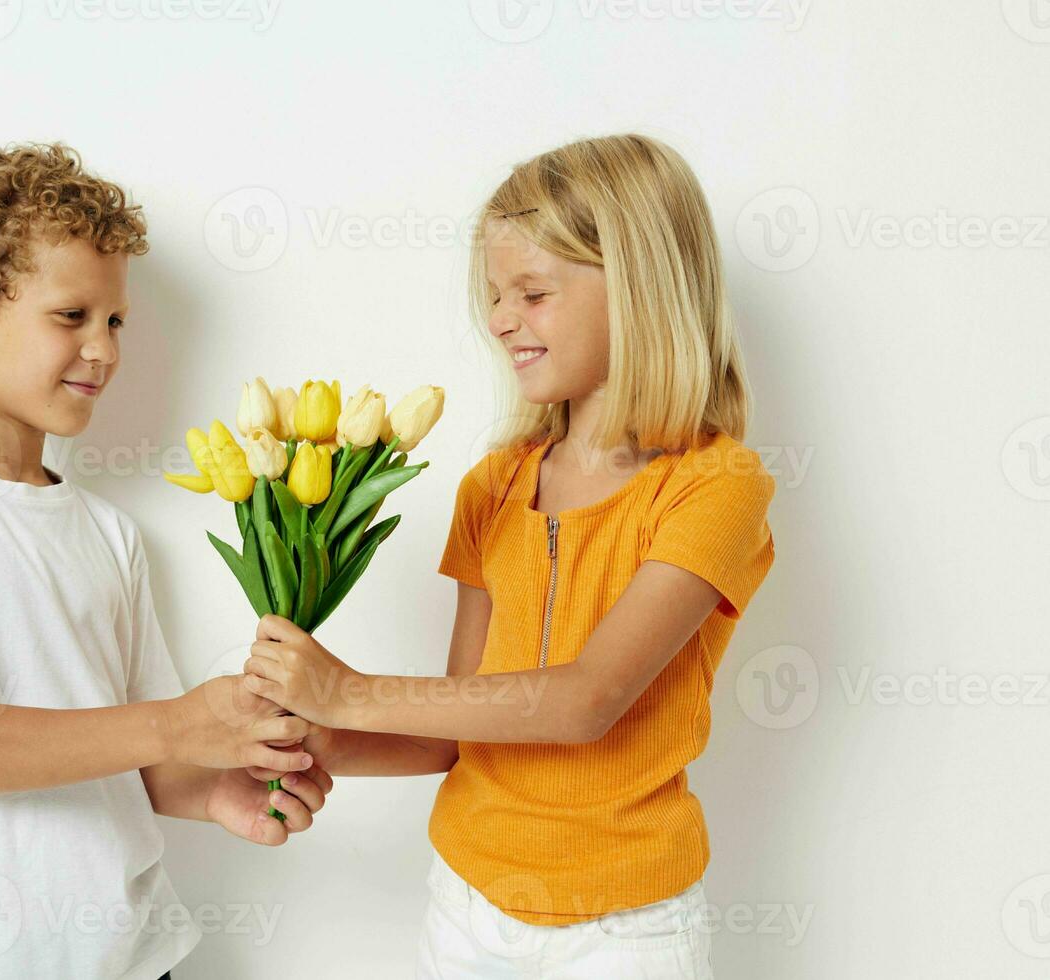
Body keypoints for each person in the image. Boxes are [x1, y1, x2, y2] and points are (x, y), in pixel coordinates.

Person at [242, 133, 777, 978]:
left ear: (640, 291)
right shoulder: (493, 487)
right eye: (496, 296)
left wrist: (347, 690)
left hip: (626, 932)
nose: (499, 320)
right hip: (464, 907)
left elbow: (584, 702)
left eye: (532, 292)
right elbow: (452, 728)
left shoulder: (716, 487)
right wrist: (326, 737)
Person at [0, 142, 330, 979]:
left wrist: (211, 787)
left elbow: (131, 756)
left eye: (115, 322)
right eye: (71, 316)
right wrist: (183, 723)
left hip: (138, 955)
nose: (103, 350)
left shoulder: (108, 534)